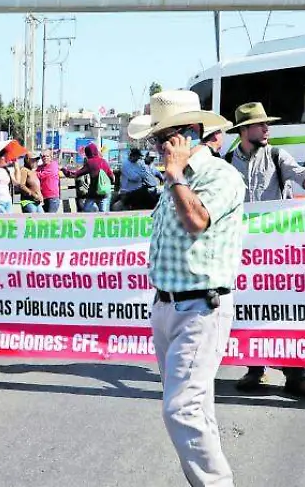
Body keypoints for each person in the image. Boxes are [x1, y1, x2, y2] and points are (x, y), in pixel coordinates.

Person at [129, 89, 244, 487]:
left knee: (181, 410)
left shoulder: (219, 175)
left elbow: (197, 221)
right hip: (166, 305)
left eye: (168, 137)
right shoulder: (171, 178)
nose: (161, 146)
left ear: (192, 132)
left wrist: (176, 174)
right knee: (196, 409)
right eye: (158, 138)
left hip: (201, 306)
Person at [221, 102, 305, 399]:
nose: (266, 128)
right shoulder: (226, 162)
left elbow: (300, 174)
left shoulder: (276, 155)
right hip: (242, 250)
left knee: (287, 310)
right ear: (244, 130)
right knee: (248, 307)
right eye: (261, 124)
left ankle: (296, 374)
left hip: (278, 250)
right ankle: (255, 368)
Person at [64, 144, 115, 212]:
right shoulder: (104, 161)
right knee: (104, 215)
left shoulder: (90, 162)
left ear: (88, 153)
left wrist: (64, 170)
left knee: (86, 212)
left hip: (93, 193)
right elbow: (112, 177)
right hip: (105, 192)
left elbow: (76, 174)